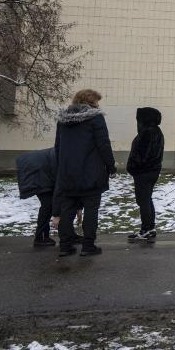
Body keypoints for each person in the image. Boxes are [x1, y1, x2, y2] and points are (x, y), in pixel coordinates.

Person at [50, 88, 116, 256]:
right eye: (96, 102)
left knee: (68, 210)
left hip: (67, 175)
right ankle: (88, 246)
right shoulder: (95, 118)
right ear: (91, 102)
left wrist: (61, 169)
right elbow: (103, 144)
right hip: (91, 174)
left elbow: (58, 147)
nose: (98, 105)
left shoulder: (63, 121)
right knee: (91, 210)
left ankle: (65, 246)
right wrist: (111, 167)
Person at [126, 107, 164, 242]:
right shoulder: (156, 131)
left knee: (143, 201)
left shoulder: (147, 133)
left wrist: (133, 167)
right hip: (151, 171)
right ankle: (150, 228)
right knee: (147, 199)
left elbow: (143, 155)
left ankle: (146, 229)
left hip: (144, 172)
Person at [15, 147, 57, 247]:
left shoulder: (61, 152)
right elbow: (58, 178)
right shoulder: (62, 156)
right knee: (47, 206)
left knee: (48, 206)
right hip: (39, 175)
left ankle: (44, 236)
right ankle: (39, 237)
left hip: (41, 172)